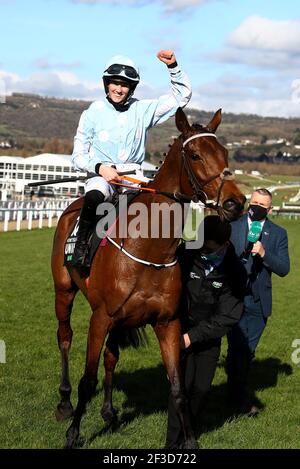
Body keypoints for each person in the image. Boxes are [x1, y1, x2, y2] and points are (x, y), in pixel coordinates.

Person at [71, 50, 192, 273]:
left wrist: (173, 67)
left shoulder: (143, 109)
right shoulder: (92, 113)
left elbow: (180, 97)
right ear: (107, 84)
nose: (119, 89)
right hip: (102, 176)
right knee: (95, 196)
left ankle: (168, 257)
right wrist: (100, 168)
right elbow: (78, 156)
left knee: (160, 208)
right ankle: (81, 247)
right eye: (114, 83)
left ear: (132, 88)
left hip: (134, 177)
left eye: (125, 85)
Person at [165, 215, 247, 449]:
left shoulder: (235, 272)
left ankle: (188, 431)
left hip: (207, 340)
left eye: (208, 248)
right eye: (200, 244)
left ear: (224, 245)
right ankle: (172, 444)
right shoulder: (187, 253)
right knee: (179, 389)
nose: (202, 250)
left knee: (201, 389)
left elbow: (228, 316)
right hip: (180, 333)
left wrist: (192, 337)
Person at [226, 188, 290, 416]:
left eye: (262, 205)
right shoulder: (233, 227)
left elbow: (284, 268)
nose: (256, 208)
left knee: (247, 351)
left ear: (270, 209)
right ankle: (238, 398)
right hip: (232, 297)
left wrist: (264, 253)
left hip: (258, 301)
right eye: (253, 203)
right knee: (236, 348)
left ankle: (234, 393)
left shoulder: (279, 233)